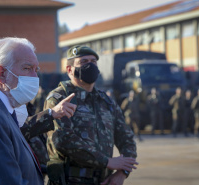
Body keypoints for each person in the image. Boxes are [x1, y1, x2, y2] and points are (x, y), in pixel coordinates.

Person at [44, 45, 138, 185]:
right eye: (84, 62)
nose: (90, 65)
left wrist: (122, 173)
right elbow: (63, 141)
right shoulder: (59, 99)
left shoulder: (107, 102)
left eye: (93, 62)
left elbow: (127, 139)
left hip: (104, 181)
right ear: (69, 69)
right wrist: (107, 162)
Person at [0, 37, 44, 185]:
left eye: (36, 70)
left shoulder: (9, 110)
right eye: (27, 68)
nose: (35, 78)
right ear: (2, 74)